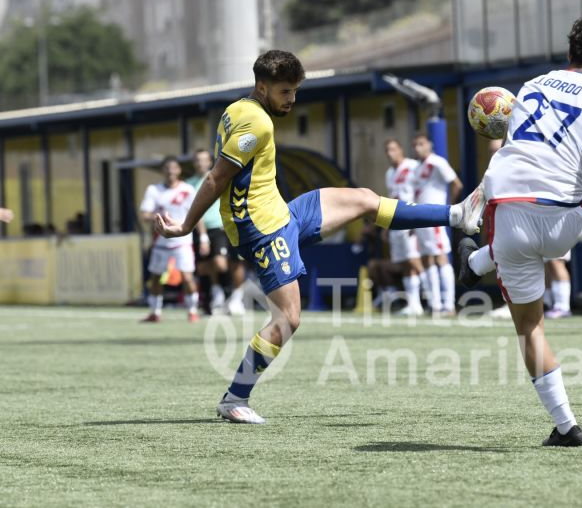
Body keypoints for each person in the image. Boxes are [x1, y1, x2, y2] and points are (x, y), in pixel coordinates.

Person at [154, 50, 485, 424]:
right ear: (262, 88)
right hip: (263, 230)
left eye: (295, 91)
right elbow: (216, 178)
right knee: (288, 320)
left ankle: (458, 214)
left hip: (282, 212)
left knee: (362, 199)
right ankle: (235, 397)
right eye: (284, 92)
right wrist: (184, 226)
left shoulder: (238, 109)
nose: (292, 100)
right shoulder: (255, 124)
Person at [457, 10, 582, 446]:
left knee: (530, 328)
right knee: (539, 246)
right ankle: (479, 259)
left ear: (569, 51)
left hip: (512, 214)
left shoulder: (531, 87)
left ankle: (566, 426)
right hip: (566, 223)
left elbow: (511, 149)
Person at [140, 156, 207, 323]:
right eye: (167, 168)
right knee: (156, 277)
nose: (170, 171)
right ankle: (155, 312)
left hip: (182, 242)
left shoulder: (187, 190)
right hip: (160, 242)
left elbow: (197, 215)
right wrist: (157, 216)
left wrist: (204, 237)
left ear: (178, 170)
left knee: (187, 277)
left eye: (174, 168)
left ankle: (192, 310)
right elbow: (144, 214)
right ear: (163, 171)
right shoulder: (154, 190)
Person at [412, 132, 463, 316]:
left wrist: (449, 207)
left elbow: (456, 183)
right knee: (427, 259)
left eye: (421, 144)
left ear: (429, 145)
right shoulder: (418, 168)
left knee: (441, 257)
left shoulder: (437, 162)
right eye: (415, 145)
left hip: (434, 217)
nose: (417, 148)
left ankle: (448, 305)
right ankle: (435, 305)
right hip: (421, 219)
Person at [186, 148, 231, 313]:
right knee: (204, 267)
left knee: (220, 263)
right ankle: (209, 301)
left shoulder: (218, 178)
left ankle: (227, 297)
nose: (200, 163)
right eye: (197, 160)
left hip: (218, 227)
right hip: (198, 230)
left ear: (210, 162)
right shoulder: (189, 184)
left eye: (203, 160)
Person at [384, 138, 425, 316]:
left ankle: (433, 300)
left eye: (393, 148)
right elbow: (391, 198)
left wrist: (419, 218)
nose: (390, 153)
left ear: (400, 149)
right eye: (387, 150)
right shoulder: (389, 173)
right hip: (395, 221)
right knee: (403, 263)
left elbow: (420, 191)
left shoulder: (413, 166)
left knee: (414, 260)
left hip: (410, 219)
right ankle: (414, 304)